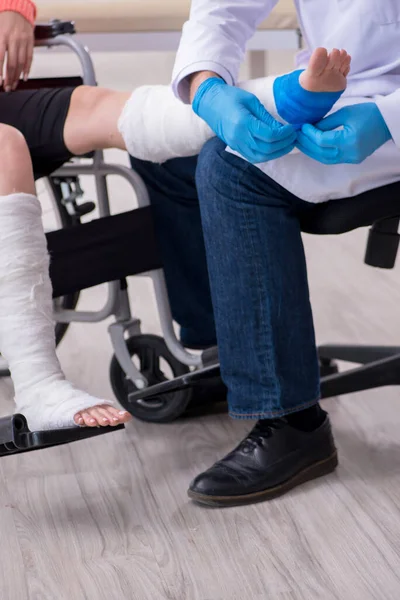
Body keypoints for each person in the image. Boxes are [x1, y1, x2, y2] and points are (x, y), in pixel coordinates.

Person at [129, 0, 400, 507]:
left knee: (233, 173)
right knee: (165, 155)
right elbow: (222, 10)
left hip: (390, 106)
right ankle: (225, 359)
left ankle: (291, 419)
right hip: (341, 88)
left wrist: (390, 121)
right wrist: (207, 88)